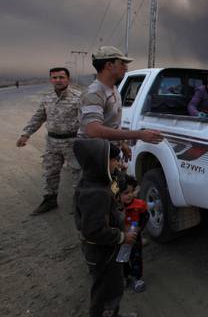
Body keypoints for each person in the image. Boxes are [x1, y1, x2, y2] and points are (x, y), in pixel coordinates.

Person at [74, 139, 138, 317]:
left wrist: (121, 174)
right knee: (105, 292)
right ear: (100, 163)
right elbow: (93, 231)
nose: (117, 163)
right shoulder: (96, 194)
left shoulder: (97, 181)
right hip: (102, 252)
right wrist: (122, 237)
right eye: (114, 160)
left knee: (113, 285)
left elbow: (115, 189)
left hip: (107, 250)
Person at [17, 67, 82, 215]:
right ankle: (50, 200)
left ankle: (78, 203)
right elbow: (38, 117)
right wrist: (26, 134)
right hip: (52, 142)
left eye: (61, 77)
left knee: (78, 174)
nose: (58, 80)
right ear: (50, 80)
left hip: (73, 142)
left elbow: (85, 121)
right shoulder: (47, 98)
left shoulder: (79, 97)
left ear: (68, 79)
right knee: (50, 172)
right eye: (54, 78)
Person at [78, 46, 163, 160]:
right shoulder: (95, 93)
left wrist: (122, 145)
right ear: (109, 65)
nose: (126, 68)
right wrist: (139, 134)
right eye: (122, 63)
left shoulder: (113, 90)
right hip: (94, 156)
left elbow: (110, 124)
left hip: (107, 152)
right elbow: (94, 130)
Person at [117, 175, 149, 293]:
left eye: (131, 192)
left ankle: (136, 278)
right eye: (125, 193)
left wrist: (139, 228)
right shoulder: (115, 209)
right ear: (117, 195)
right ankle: (125, 277)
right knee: (122, 259)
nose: (130, 195)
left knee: (136, 258)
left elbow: (145, 216)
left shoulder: (139, 204)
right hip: (122, 238)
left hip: (134, 237)